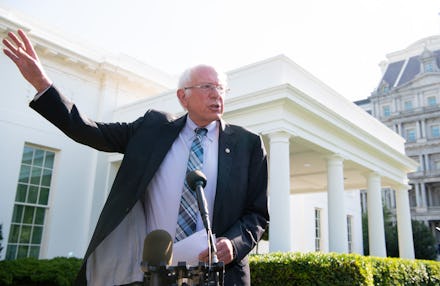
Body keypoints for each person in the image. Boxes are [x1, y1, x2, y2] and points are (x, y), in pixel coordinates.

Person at [3, 29, 269, 286]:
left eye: (222, 88)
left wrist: (233, 245)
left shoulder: (248, 144)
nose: (216, 94)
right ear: (182, 96)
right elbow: (88, 130)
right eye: (207, 86)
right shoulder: (152, 129)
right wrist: (42, 85)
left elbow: (257, 214)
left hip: (218, 275)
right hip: (155, 274)